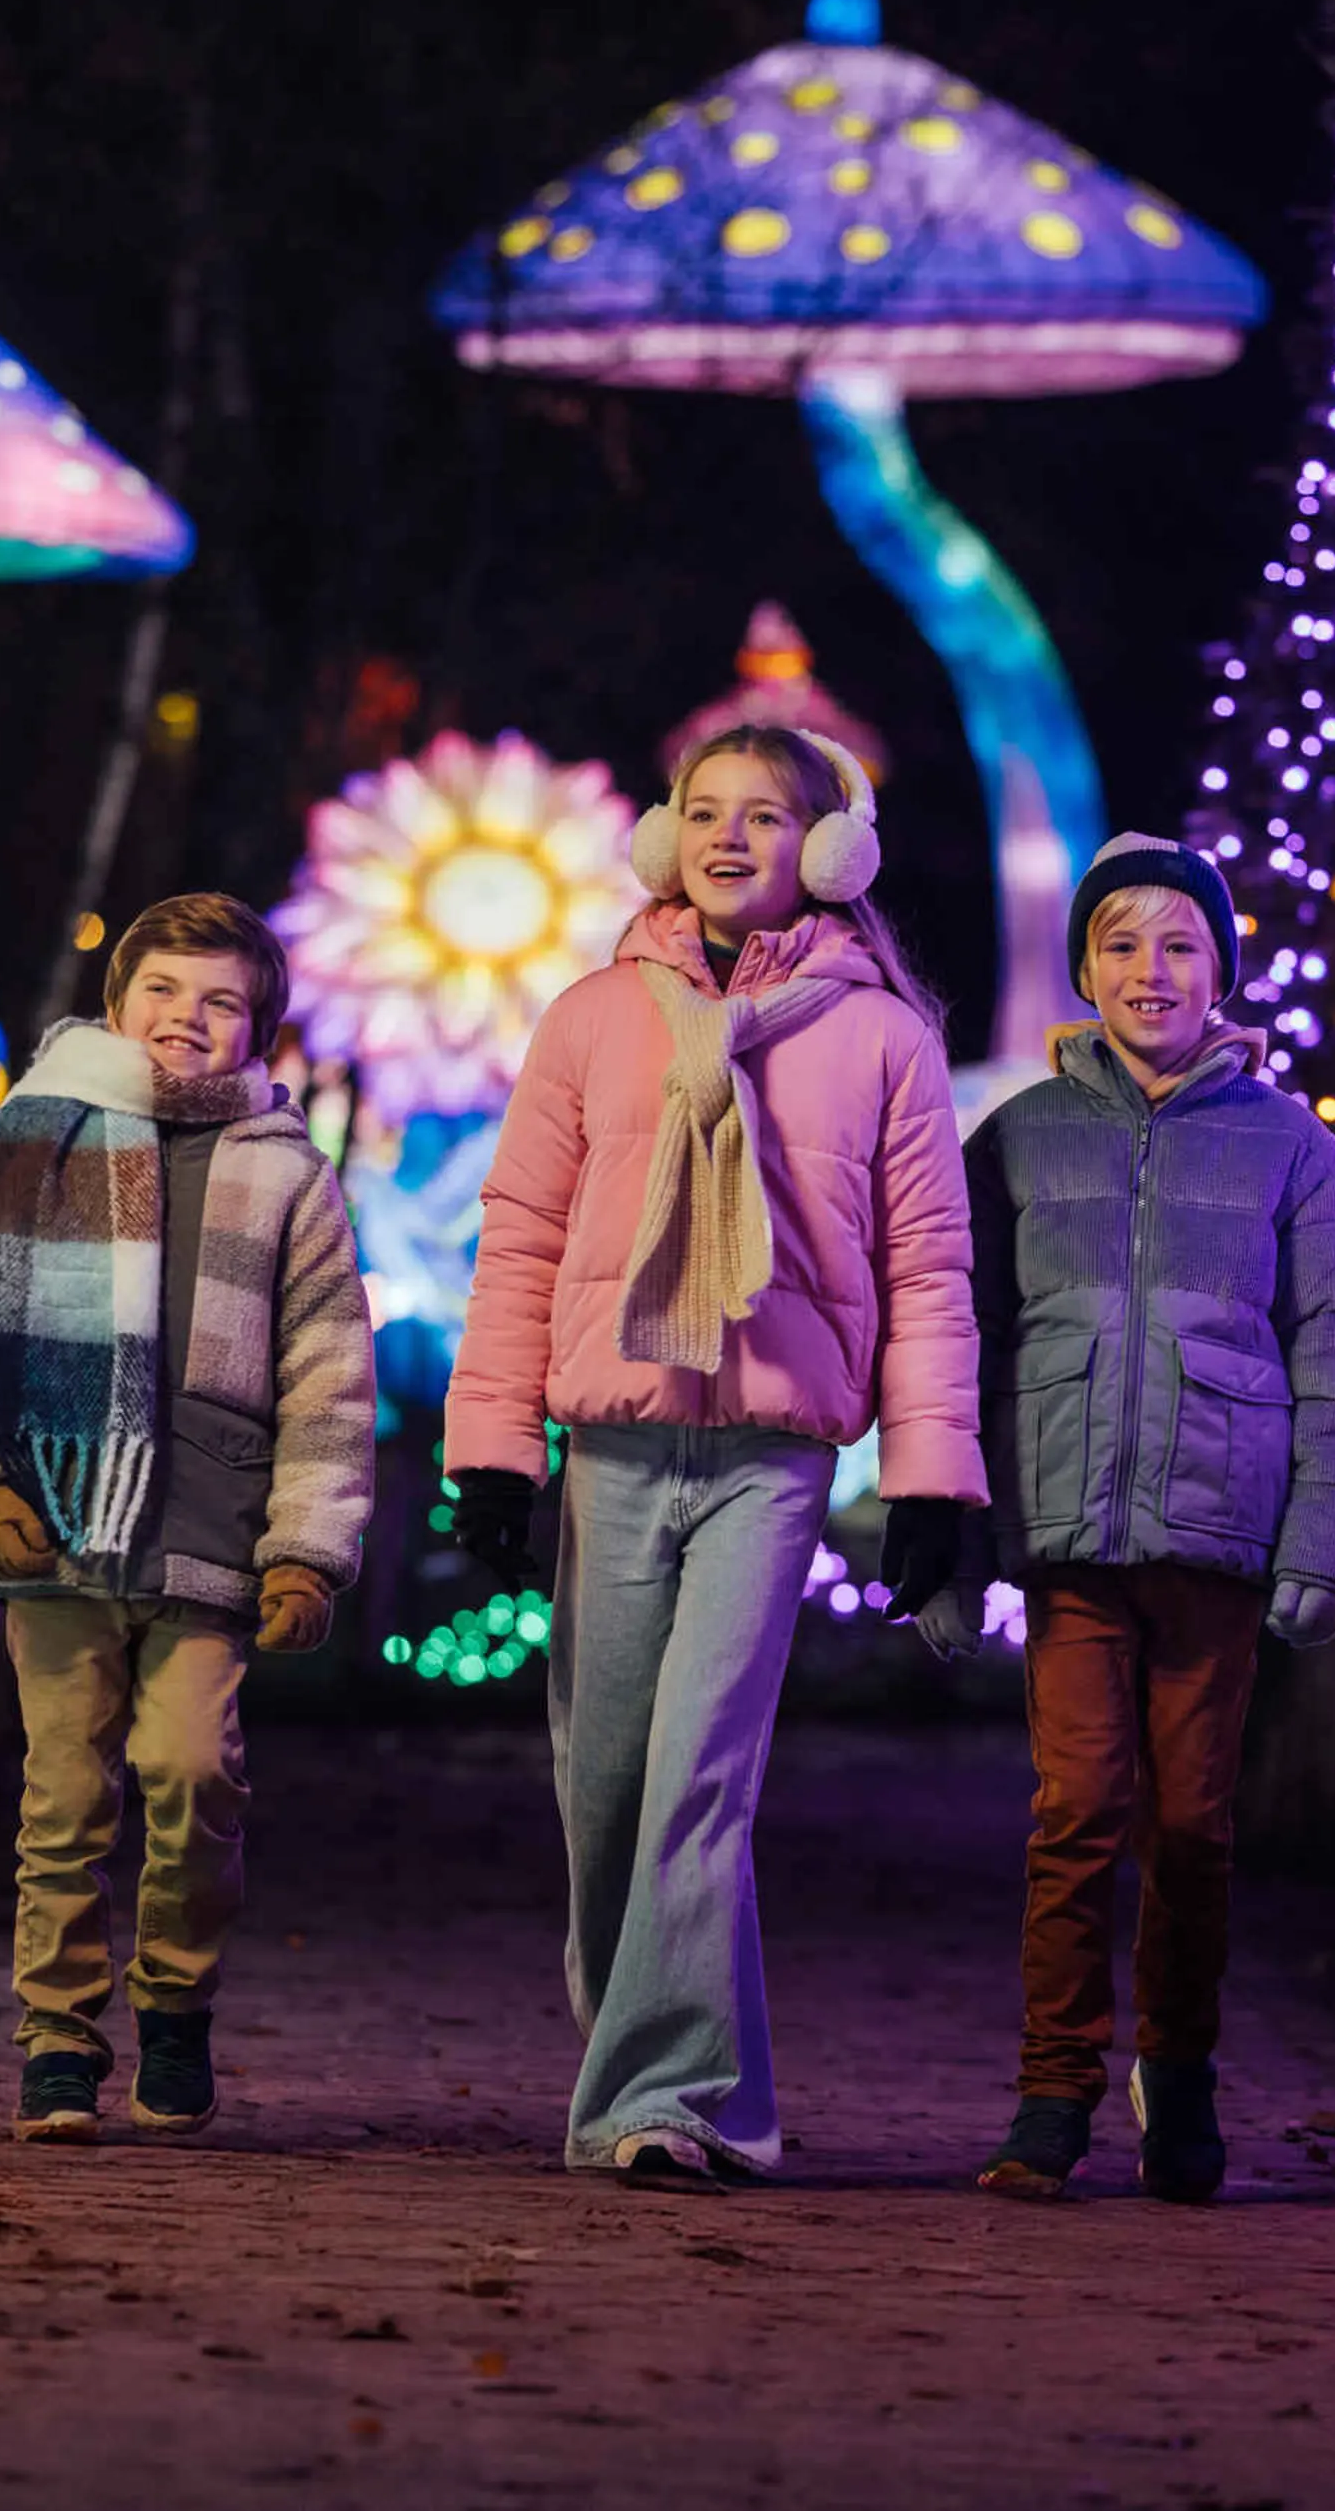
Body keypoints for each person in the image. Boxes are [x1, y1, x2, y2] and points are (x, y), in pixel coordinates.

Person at [445, 725, 980, 2190]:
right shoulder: (590, 1020)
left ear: (831, 851)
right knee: (608, 1783)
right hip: (615, 1447)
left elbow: (928, 1272)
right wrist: (493, 1448)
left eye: (767, 816)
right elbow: (521, 1240)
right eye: (705, 810)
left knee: (700, 1774)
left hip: (770, 1457)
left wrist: (932, 1478)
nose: (731, 836)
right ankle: (680, 2074)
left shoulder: (884, 1040)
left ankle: (664, 2099)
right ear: (664, 836)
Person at [952, 833, 1335, 2202]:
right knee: (1078, 1809)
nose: (1152, 969)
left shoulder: (1293, 1151)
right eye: (1123, 943)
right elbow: (956, 1335)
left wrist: (1326, 1548)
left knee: (1193, 1822)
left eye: (1182, 944)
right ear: (1086, 970)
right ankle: (1052, 2093)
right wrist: (949, 1537)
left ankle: (1181, 2070)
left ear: (1222, 970)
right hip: (1073, 1542)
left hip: (1218, 1541)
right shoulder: (1018, 1139)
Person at [0, 892, 375, 2146]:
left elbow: (328, 1374)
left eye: (221, 1002)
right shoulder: (33, 1135)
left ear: (257, 1030)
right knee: (63, 1794)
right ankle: (57, 2039)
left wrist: (307, 1549)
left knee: (192, 1769)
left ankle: (175, 2004)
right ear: (117, 1004)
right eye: (162, 990)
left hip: (212, 1528)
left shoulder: (284, 1172)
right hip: (55, 1518)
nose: (187, 1018)